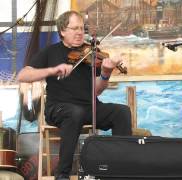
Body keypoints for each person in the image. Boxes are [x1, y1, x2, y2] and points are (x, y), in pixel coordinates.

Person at [17, 10, 132, 180]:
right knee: (74, 113)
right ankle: (62, 174)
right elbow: (23, 75)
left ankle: (120, 171)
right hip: (59, 108)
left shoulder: (91, 53)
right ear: (62, 31)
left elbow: (97, 90)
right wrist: (52, 69)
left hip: (89, 107)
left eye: (82, 28)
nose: (80, 32)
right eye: (74, 28)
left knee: (121, 112)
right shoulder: (51, 52)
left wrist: (106, 72)